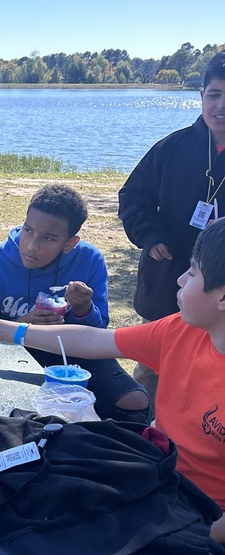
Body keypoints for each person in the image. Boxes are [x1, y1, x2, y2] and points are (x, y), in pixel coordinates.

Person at [0, 217, 225, 543]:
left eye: (192, 272)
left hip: (199, 516)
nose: (180, 280)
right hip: (153, 475)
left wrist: (201, 538)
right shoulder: (181, 330)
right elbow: (95, 341)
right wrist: (7, 330)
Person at [0, 182, 150, 422]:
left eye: (48, 238)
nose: (32, 246)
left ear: (70, 244)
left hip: (75, 355)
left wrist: (83, 309)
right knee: (23, 413)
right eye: (28, 231)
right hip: (19, 354)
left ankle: (111, 451)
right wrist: (22, 324)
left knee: (135, 402)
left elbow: (99, 334)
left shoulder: (89, 260)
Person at [118, 48, 225, 398]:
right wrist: (151, 236)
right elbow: (133, 198)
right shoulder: (172, 148)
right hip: (166, 283)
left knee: (211, 381)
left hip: (220, 295)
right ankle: (146, 437)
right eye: (215, 95)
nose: (221, 107)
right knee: (152, 373)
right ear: (202, 96)